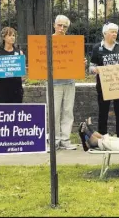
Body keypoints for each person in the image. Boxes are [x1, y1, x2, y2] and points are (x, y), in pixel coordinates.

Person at [89, 22, 119, 138]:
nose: (115, 34)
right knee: (103, 111)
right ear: (105, 33)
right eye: (112, 32)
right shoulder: (98, 48)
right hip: (103, 86)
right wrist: (97, 70)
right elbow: (91, 67)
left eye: (116, 32)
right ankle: (103, 136)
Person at [47, 15, 79, 150]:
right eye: (59, 25)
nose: (62, 28)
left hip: (69, 82)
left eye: (65, 26)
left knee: (67, 111)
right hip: (54, 83)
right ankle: (54, 140)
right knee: (54, 112)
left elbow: (75, 60)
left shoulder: (72, 42)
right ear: (54, 25)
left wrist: (80, 62)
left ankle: (65, 140)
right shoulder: (47, 41)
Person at [0, 27, 24, 103]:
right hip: (1, 88)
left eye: (14, 35)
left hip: (16, 89)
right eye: (10, 35)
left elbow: (22, 72)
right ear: (4, 37)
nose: (12, 38)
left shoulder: (19, 53)